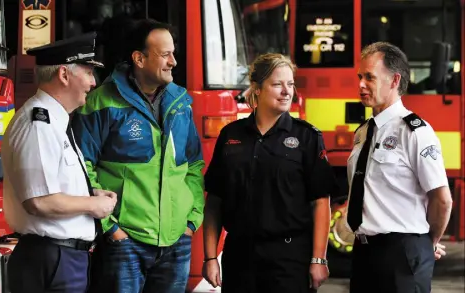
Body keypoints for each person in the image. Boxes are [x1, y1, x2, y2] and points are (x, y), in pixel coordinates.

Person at [71, 19, 205, 293]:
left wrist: (191, 221)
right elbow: (81, 167)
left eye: (173, 53)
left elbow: (193, 165)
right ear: (139, 59)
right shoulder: (101, 102)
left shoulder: (181, 104)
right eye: (165, 54)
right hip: (124, 242)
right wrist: (112, 229)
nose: (174, 62)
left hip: (175, 241)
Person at [202, 53, 336, 293]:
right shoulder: (231, 135)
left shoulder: (307, 136)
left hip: (289, 258)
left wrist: (319, 259)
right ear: (257, 88)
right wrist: (210, 257)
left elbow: (320, 201)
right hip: (239, 257)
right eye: (277, 84)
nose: (287, 91)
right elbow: (214, 200)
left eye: (291, 84)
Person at [1, 32, 117, 293]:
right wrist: (92, 205)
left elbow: (53, 186)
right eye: (88, 72)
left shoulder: (56, 121)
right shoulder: (38, 123)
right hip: (53, 259)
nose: (93, 82)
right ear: (64, 74)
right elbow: (39, 201)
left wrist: (90, 193)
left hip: (62, 258)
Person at [346, 41, 453, 293]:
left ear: (394, 81)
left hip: (402, 256)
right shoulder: (362, 133)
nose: (360, 84)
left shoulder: (415, 132)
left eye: (369, 77)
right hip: (364, 253)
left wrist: (427, 243)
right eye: (360, 77)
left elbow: (442, 200)